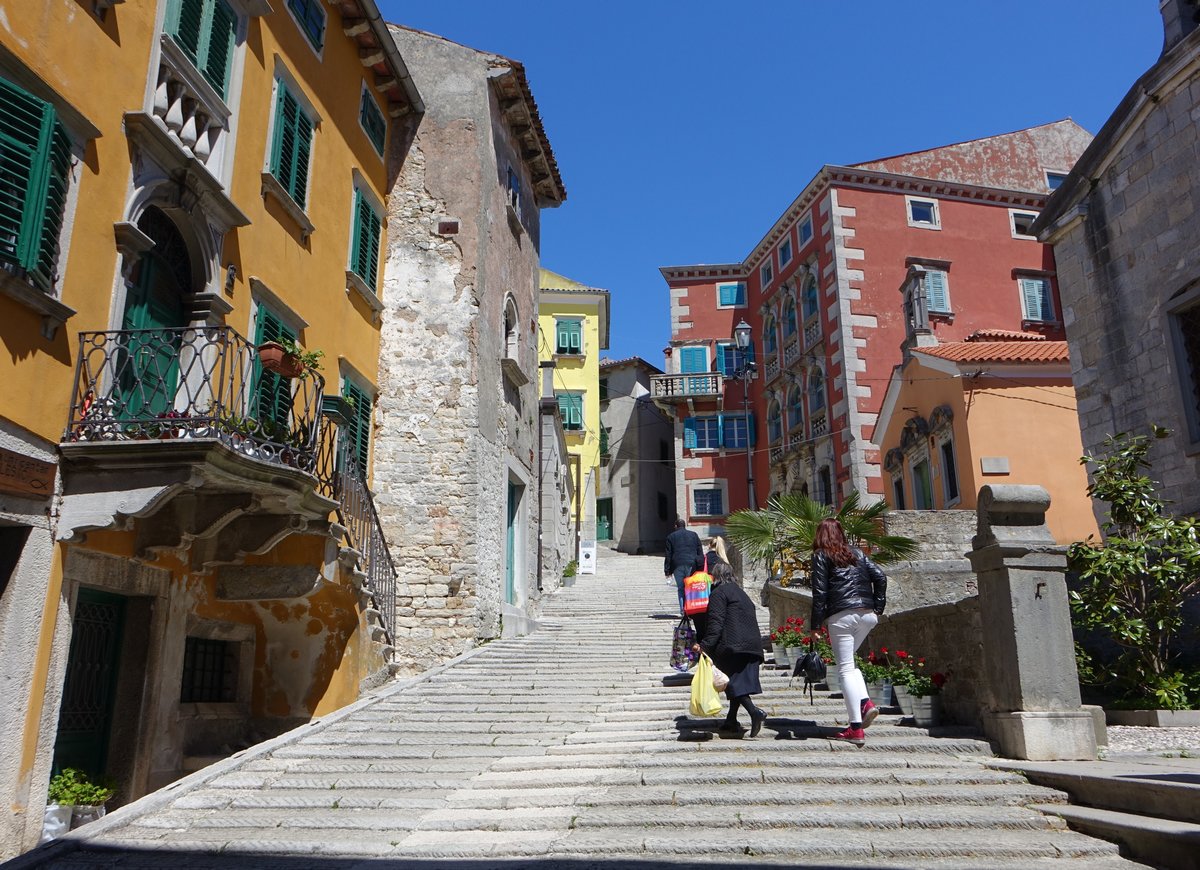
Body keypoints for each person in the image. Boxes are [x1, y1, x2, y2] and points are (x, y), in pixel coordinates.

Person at [810, 517, 887, 746]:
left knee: (844, 669)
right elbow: (880, 576)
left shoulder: (821, 555)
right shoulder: (856, 553)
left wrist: (815, 625)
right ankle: (864, 705)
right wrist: (878, 606)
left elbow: (820, 592)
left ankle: (856, 725)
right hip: (867, 615)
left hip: (841, 615)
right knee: (849, 664)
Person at [694, 563, 767, 737]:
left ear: (715, 577)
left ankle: (754, 712)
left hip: (733, 646)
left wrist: (704, 645)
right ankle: (731, 720)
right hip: (752, 645)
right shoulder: (742, 593)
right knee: (737, 683)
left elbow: (715, 624)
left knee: (732, 683)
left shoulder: (718, 593)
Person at [665, 518, 705, 614]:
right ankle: (691, 609)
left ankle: (683, 611)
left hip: (677, 565)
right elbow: (700, 551)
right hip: (691, 564)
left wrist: (667, 571)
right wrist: (701, 566)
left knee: (681, 588)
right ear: (685, 525)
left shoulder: (670, 537)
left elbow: (668, 555)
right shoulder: (694, 535)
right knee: (691, 587)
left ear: (676, 526)